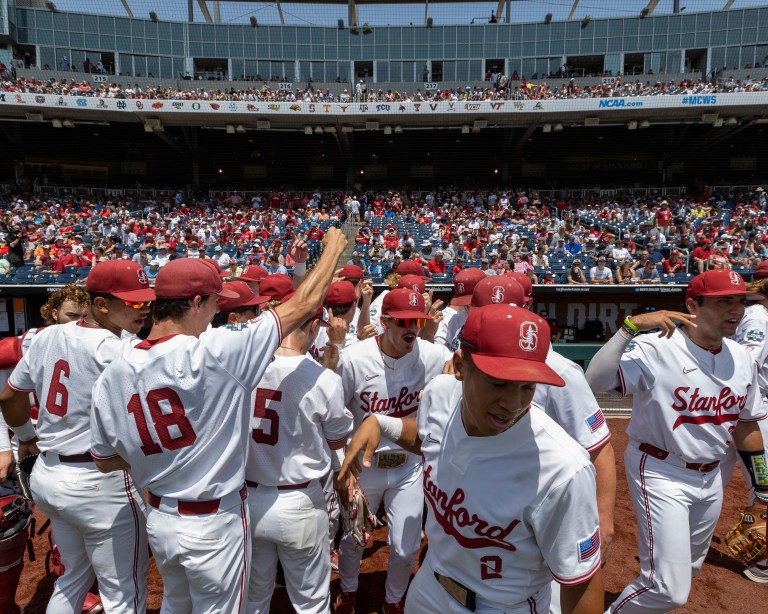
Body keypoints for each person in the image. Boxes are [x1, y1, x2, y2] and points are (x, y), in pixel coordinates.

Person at [88, 230, 346, 613]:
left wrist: (164, 457)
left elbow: (105, 459)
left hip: (160, 518)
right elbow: (304, 305)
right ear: (195, 302)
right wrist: (332, 252)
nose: (216, 313)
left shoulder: (115, 369)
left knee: (177, 605)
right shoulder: (216, 351)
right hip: (214, 522)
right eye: (213, 304)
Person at [340, 305, 604, 613]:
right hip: (429, 587)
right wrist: (383, 423)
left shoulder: (563, 470)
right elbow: (431, 438)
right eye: (498, 383)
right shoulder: (441, 393)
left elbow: (581, 581)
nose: (512, 403)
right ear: (461, 367)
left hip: (503, 606)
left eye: (527, 386)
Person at [585, 270, 768, 612]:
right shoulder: (656, 347)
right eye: (723, 301)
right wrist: (629, 329)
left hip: (711, 478)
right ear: (692, 305)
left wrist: (763, 488)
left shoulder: (742, 357)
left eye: (741, 301)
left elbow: (747, 426)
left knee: (687, 571)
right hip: (659, 468)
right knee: (668, 589)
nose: (736, 309)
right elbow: (595, 379)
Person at [0, 261, 154, 613]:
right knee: (124, 593)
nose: (144, 310)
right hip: (101, 481)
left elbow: (10, 395)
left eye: (147, 301)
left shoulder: (46, 335)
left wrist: (25, 437)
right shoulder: (120, 350)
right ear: (100, 305)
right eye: (133, 303)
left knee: (71, 579)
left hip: (49, 475)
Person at [334, 289, 453, 614]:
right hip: (363, 467)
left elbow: (454, 373)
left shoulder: (431, 355)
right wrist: (342, 468)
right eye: (402, 322)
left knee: (405, 546)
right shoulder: (355, 359)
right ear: (384, 322)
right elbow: (334, 413)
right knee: (353, 540)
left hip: (408, 468)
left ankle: (393, 599)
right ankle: (347, 591)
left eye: (417, 320)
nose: (411, 328)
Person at [245, 300, 353, 613]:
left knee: (253, 599)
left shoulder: (245, 368)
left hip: (249, 498)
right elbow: (337, 440)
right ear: (311, 326)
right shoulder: (323, 377)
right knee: (312, 603)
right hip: (300, 501)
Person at [723, 272, 768, 582]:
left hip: (739, 410)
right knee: (764, 486)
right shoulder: (757, 320)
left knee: (713, 476)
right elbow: (746, 364)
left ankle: (682, 542)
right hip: (748, 411)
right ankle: (762, 561)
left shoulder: (757, 315)